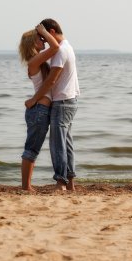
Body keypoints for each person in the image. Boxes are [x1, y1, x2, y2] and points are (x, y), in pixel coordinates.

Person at [25, 18, 80, 191]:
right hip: (69, 99)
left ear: (52, 33)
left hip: (62, 101)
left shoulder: (60, 51)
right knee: (65, 142)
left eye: (44, 37)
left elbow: (50, 81)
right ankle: (69, 182)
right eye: (41, 39)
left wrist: (34, 99)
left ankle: (61, 182)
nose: (44, 42)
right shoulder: (67, 47)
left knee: (58, 143)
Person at [19, 24, 59, 191]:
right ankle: (26, 187)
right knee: (31, 149)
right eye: (39, 38)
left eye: (42, 37)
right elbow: (55, 47)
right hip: (39, 111)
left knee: (33, 149)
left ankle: (27, 186)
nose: (42, 39)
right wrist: (43, 31)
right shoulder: (35, 61)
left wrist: (42, 34)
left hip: (41, 110)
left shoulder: (39, 60)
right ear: (32, 43)